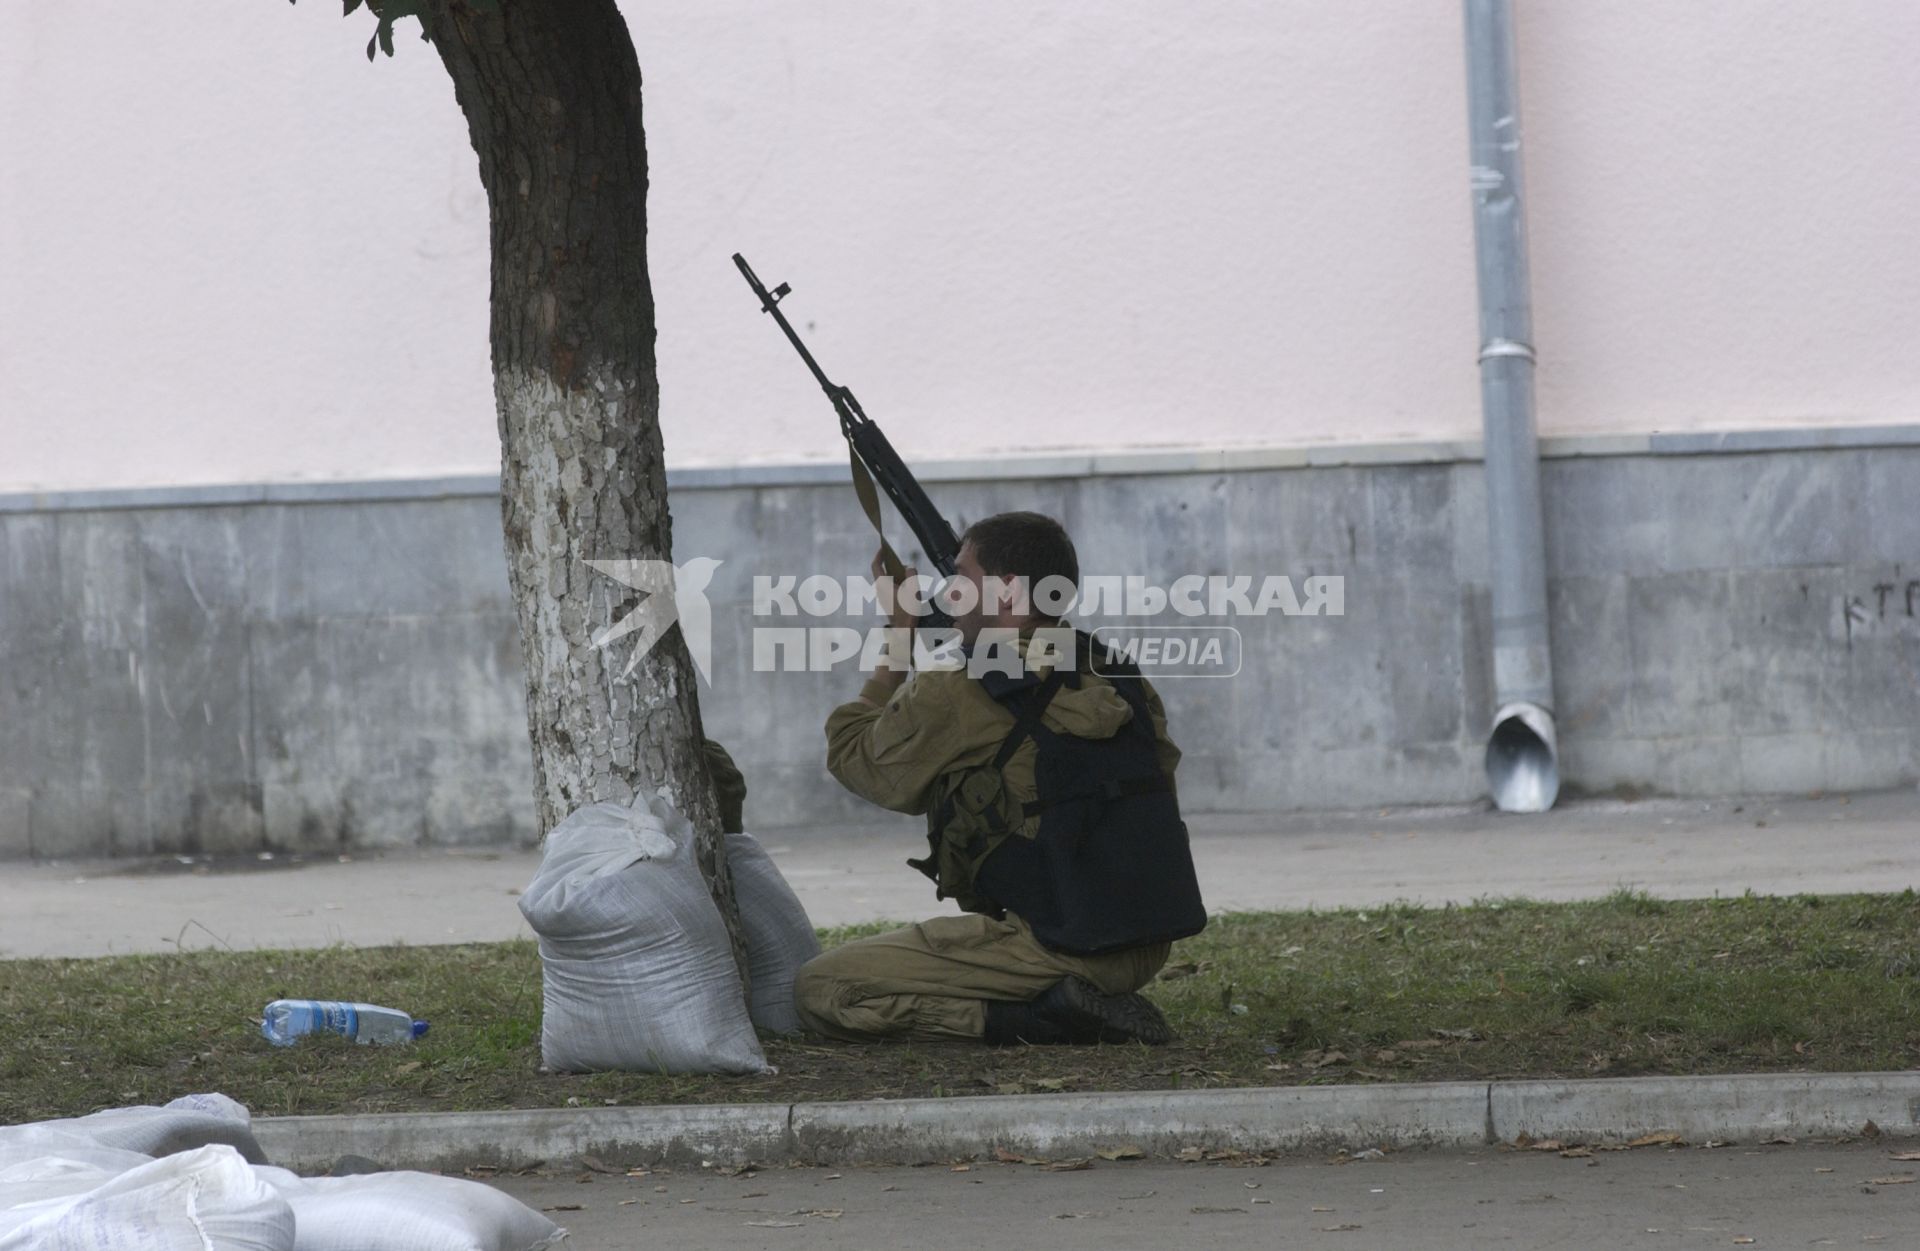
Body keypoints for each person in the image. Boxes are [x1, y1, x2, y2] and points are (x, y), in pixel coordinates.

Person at [792, 511, 1205, 1046]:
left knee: (823, 989)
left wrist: (899, 631)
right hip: (1143, 938)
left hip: (1059, 942)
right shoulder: (1116, 671)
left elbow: (857, 759)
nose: (948, 595)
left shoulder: (962, 683)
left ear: (1008, 591)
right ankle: (1077, 997)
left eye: (962, 578)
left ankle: (1039, 1016)